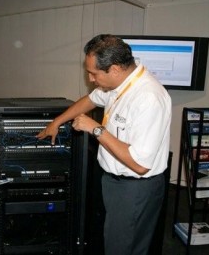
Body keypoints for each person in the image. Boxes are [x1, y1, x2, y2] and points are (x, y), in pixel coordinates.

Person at [37, 34, 172, 255]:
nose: (90, 78)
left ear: (115, 69)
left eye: (94, 73)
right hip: (114, 182)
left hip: (135, 189)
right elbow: (90, 100)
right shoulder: (118, 85)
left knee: (124, 248)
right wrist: (57, 121)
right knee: (114, 242)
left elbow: (140, 164)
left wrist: (96, 129)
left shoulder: (148, 98)